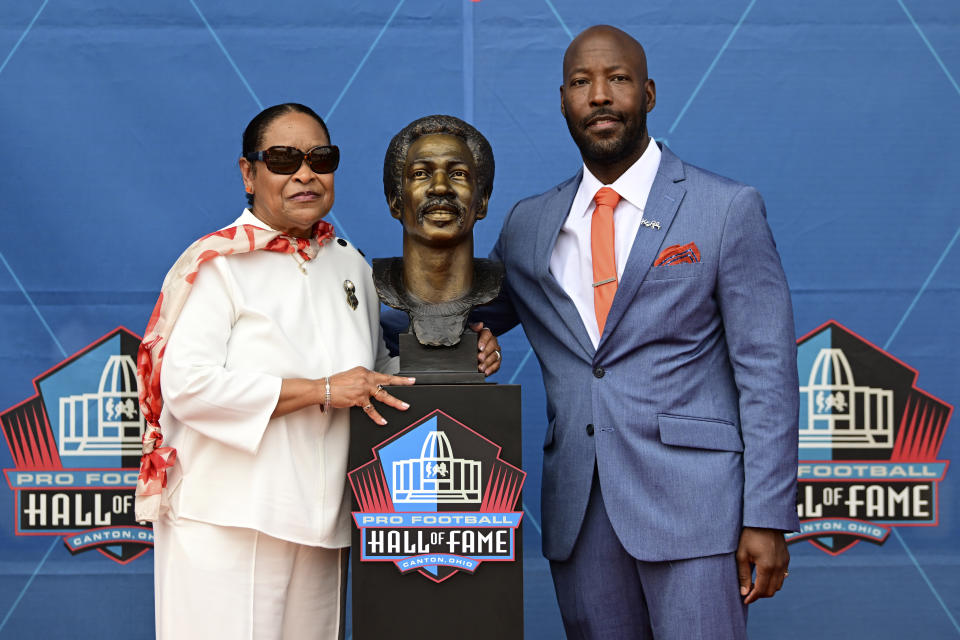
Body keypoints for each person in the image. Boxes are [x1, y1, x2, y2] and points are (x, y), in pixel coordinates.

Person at [134, 103, 501, 639]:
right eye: (283, 159)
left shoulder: (348, 263)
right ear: (248, 173)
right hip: (228, 518)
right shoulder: (218, 265)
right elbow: (187, 387)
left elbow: (373, 374)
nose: (304, 173)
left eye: (319, 158)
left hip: (324, 521)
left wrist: (458, 360)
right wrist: (321, 390)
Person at [479, 26, 799, 639]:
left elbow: (768, 373)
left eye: (617, 79)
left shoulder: (724, 207)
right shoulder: (529, 224)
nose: (599, 95)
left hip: (698, 511)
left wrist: (767, 516)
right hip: (580, 512)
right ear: (564, 101)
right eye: (581, 83)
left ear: (648, 93)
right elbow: (463, 315)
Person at [375, 115, 504, 351]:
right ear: (395, 202)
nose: (441, 187)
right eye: (421, 174)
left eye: (458, 174)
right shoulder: (368, 283)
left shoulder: (500, 284)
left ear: (482, 202)